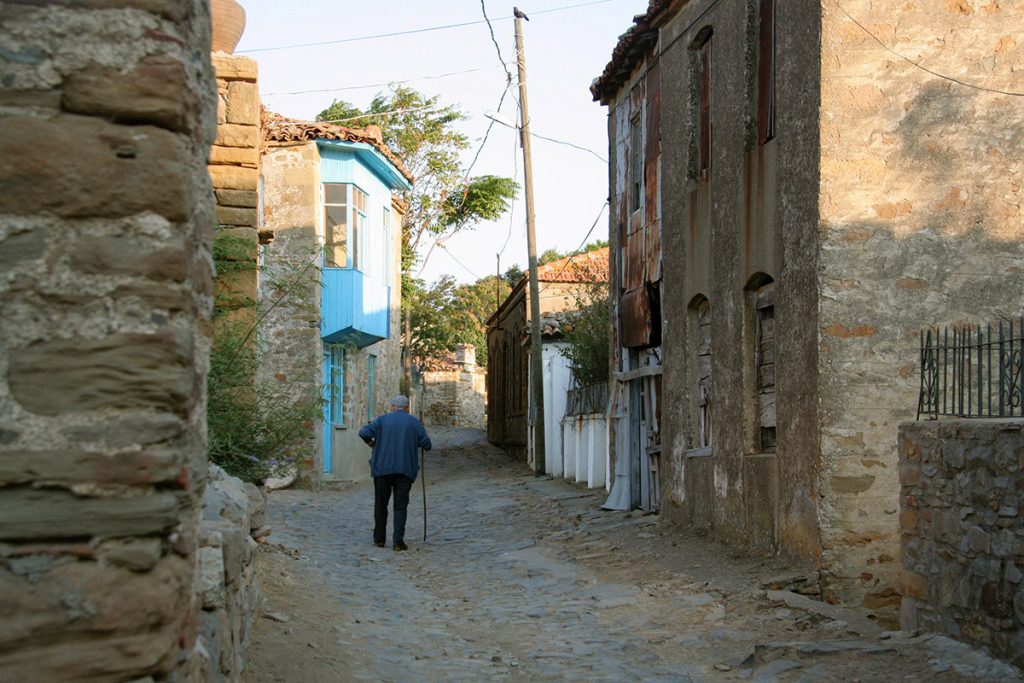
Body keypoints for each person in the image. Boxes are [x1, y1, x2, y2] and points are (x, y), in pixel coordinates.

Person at [358, 395, 431, 551]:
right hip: (405, 470)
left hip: (382, 469)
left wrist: (373, 444)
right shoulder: (414, 423)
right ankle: (398, 542)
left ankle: (379, 539)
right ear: (407, 407)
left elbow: (363, 432)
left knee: (380, 504)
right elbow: (427, 444)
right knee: (400, 506)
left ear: (392, 407)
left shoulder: (382, 420)